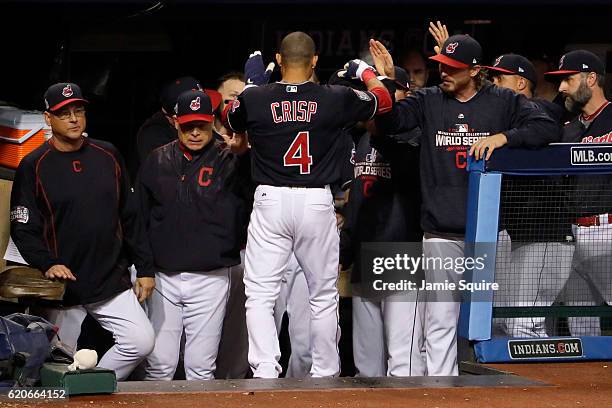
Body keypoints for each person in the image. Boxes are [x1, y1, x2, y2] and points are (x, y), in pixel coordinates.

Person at [370, 34, 559, 376]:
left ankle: (505, 393)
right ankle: (443, 393)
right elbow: (390, 123)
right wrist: (386, 81)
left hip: (489, 231)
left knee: (495, 320)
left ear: (474, 70)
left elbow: (547, 125)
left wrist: (505, 137)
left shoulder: (501, 101)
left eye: (452, 68)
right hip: (441, 233)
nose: (443, 72)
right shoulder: (428, 100)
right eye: (441, 66)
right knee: (439, 321)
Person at [223, 31, 392, 378]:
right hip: (316, 200)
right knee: (323, 295)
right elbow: (385, 103)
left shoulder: (258, 98)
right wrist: (366, 72)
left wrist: (254, 84)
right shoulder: (334, 96)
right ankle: (326, 369)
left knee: (259, 294)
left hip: (271, 199)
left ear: (280, 60)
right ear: (315, 61)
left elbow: (228, 117)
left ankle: (266, 368)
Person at [10, 82, 155, 380]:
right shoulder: (34, 165)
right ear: (49, 119)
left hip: (108, 277)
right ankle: (73, 388)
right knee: (58, 358)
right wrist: (47, 262)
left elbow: (130, 215)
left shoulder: (108, 154)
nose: (74, 118)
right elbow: (23, 227)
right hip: (64, 286)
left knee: (141, 341)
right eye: (65, 113)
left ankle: (89, 385)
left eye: (79, 111)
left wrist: (145, 268)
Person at [136, 89, 249, 380]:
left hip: (210, 277)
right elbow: (139, 218)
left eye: (202, 125)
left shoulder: (231, 159)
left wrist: (244, 152)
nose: (196, 132)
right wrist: (145, 269)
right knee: (160, 366)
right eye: (188, 126)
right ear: (175, 122)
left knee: (200, 368)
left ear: (212, 121)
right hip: (162, 278)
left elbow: (254, 192)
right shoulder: (157, 159)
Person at [336, 67, 425, 376]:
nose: (380, 99)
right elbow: (357, 203)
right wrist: (346, 248)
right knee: (367, 366)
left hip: (402, 254)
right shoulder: (359, 139)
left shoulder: (416, 138)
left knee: (404, 362)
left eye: (390, 91)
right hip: (366, 254)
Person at [485, 53, 571, 338]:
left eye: (500, 78)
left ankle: (542, 383)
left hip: (543, 236)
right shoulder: (504, 115)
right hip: (517, 235)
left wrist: (506, 137)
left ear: (521, 82)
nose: (493, 83)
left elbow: (546, 127)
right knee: (505, 322)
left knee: (524, 323)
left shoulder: (538, 109)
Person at [545, 50, 612, 336]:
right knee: (581, 323)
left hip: (607, 230)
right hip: (571, 235)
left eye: (568, 80)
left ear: (592, 78)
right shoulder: (567, 130)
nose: (561, 88)